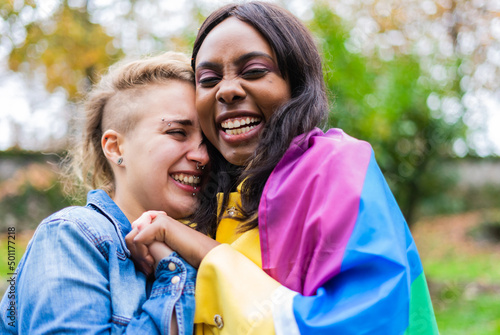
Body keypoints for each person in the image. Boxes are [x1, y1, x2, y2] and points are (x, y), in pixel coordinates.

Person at [128, 2, 440, 334]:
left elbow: (362, 320)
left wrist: (202, 255)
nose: (228, 90)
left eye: (254, 71)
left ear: (297, 84)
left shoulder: (337, 166)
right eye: (208, 79)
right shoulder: (208, 197)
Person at [0, 51, 209, 334]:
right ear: (115, 147)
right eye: (177, 132)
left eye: (208, 140)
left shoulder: (202, 243)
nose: (203, 156)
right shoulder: (70, 236)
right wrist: (174, 274)